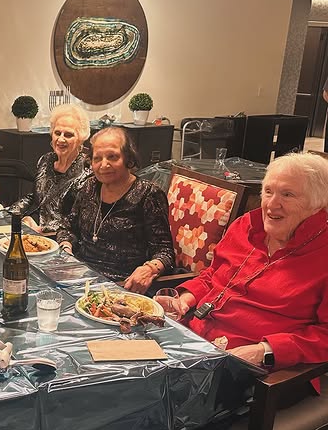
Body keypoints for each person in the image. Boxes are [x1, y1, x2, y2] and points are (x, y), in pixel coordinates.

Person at [159, 152, 328, 373]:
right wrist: (185, 299)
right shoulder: (246, 225)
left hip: (251, 372)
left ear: (318, 205)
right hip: (193, 340)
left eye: (287, 195)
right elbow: (213, 275)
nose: (272, 205)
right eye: (268, 192)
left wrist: (264, 350)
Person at [57, 127, 175, 293]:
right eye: (97, 158)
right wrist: (66, 249)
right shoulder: (89, 187)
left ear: (128, 158)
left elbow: (165, 252)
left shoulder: (149, 194)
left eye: (112, 157)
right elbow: (68, 227)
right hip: (80, 278)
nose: (104, 165)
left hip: (121, 286)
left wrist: (149, 269)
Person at [10, 104, 91, 234]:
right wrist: (12, 213)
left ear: (81, 139)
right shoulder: (46, 159)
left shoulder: (87, 170)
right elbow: (35, 197)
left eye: (68, 134)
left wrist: (42, 229)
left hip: (60, 235)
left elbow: (81, 218)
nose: (61, 139)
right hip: (30, 226)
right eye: (57, 133)